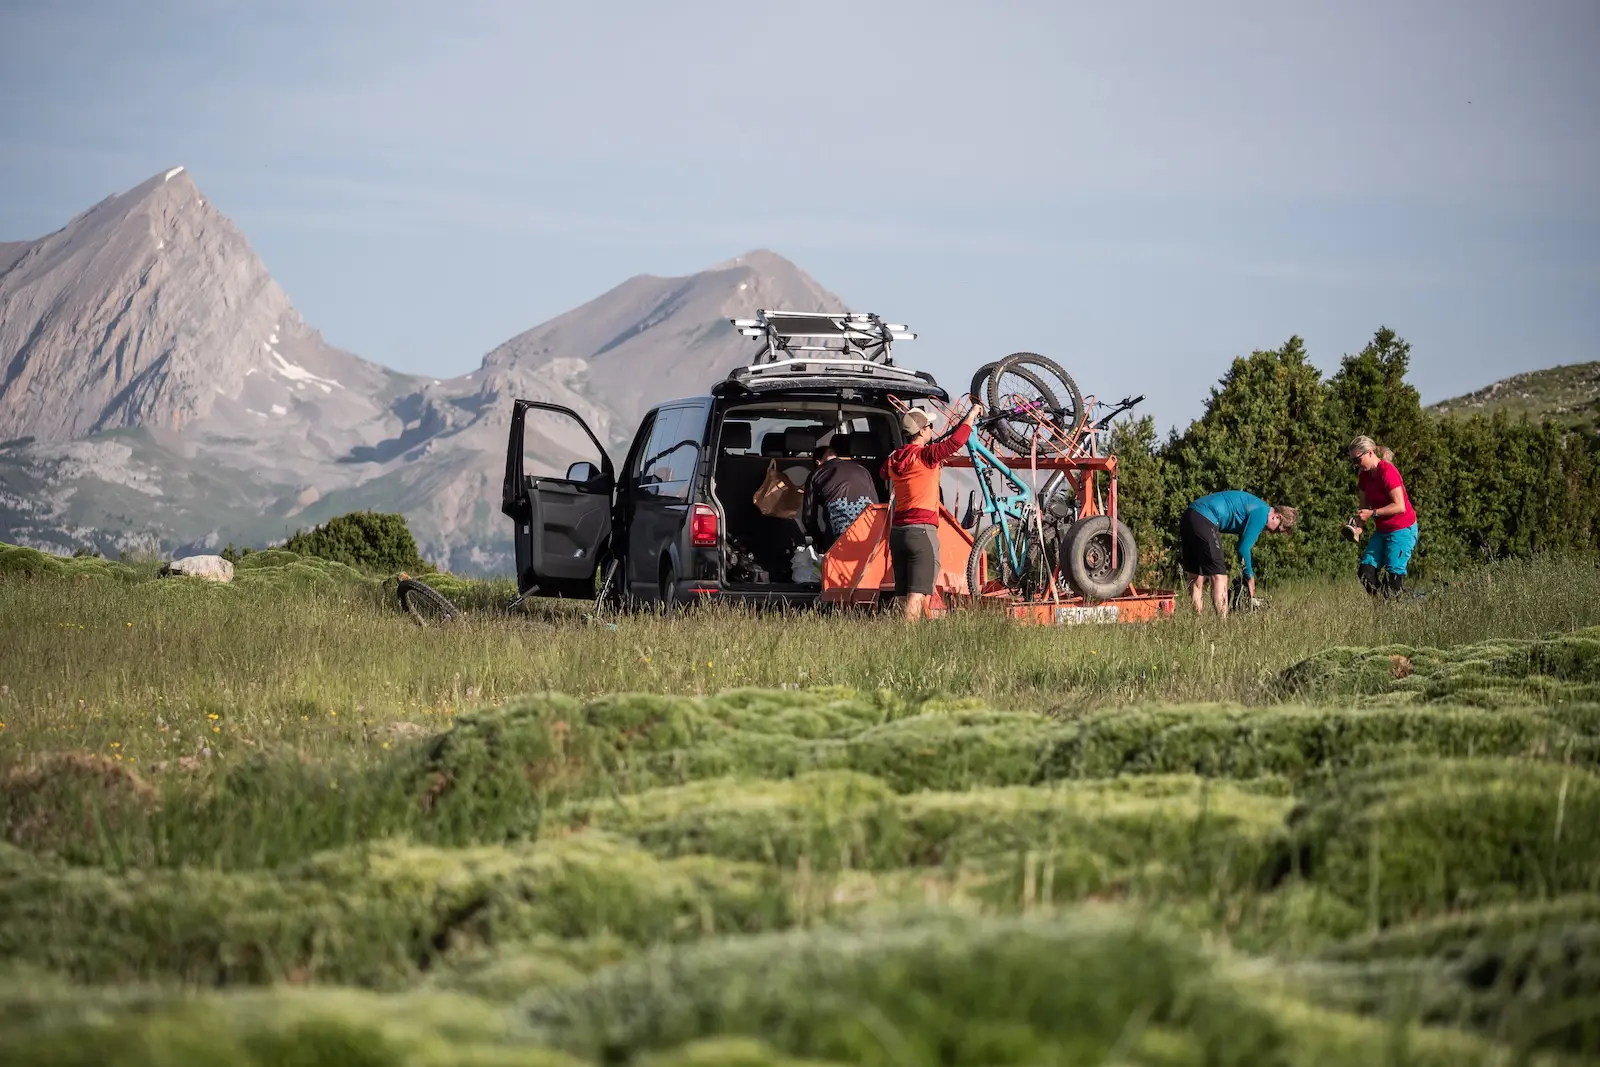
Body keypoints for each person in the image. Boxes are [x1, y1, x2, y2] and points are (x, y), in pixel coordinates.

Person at [881, 402, 982, 621]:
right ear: (922, 431)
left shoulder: (894, 459)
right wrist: (972, 415)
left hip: (898, 533)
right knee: (916, 596)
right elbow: (956, 441)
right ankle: (907, 645)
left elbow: (885, 471)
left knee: (901, 594)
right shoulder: (926, 456)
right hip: (922, 532)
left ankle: (894, 639)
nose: (931, 430)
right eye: (928, 426)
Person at [1179, 490, 1298, 616]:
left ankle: (1196, 621)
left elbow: (1240, 547)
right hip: (1206, 518)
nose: (1272, 533)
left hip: (1189, 515)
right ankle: (1222, 625)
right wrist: (1250, 578)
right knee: (1220, 577)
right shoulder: (1262, 513)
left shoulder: (1255, 506)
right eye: (1277, 530)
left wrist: (1244, 574)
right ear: (1277, 517)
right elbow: (1244, 548)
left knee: (1196, 576)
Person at [1347, 434, 1419, 597]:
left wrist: (1372, 513)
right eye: (1353, 461)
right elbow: (1363, 506)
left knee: (1393, 580)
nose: (1356, 464)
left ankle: (1407, 604)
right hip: (1383, 530)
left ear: (1370, 452)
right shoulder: (1364, 476)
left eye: (1358, 459)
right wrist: (1358, 526)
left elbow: (1399, 506)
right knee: (1365, 573)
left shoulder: (1388, 472)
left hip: (1402, 529)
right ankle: (1381, 606)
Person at [801, 433, 879, 553]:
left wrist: (820, 542)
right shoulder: (863, 470)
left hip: (838, 534)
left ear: (817, 462)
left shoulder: (816, 474)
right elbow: (876, 507)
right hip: (868, 531)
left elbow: (808, 518)